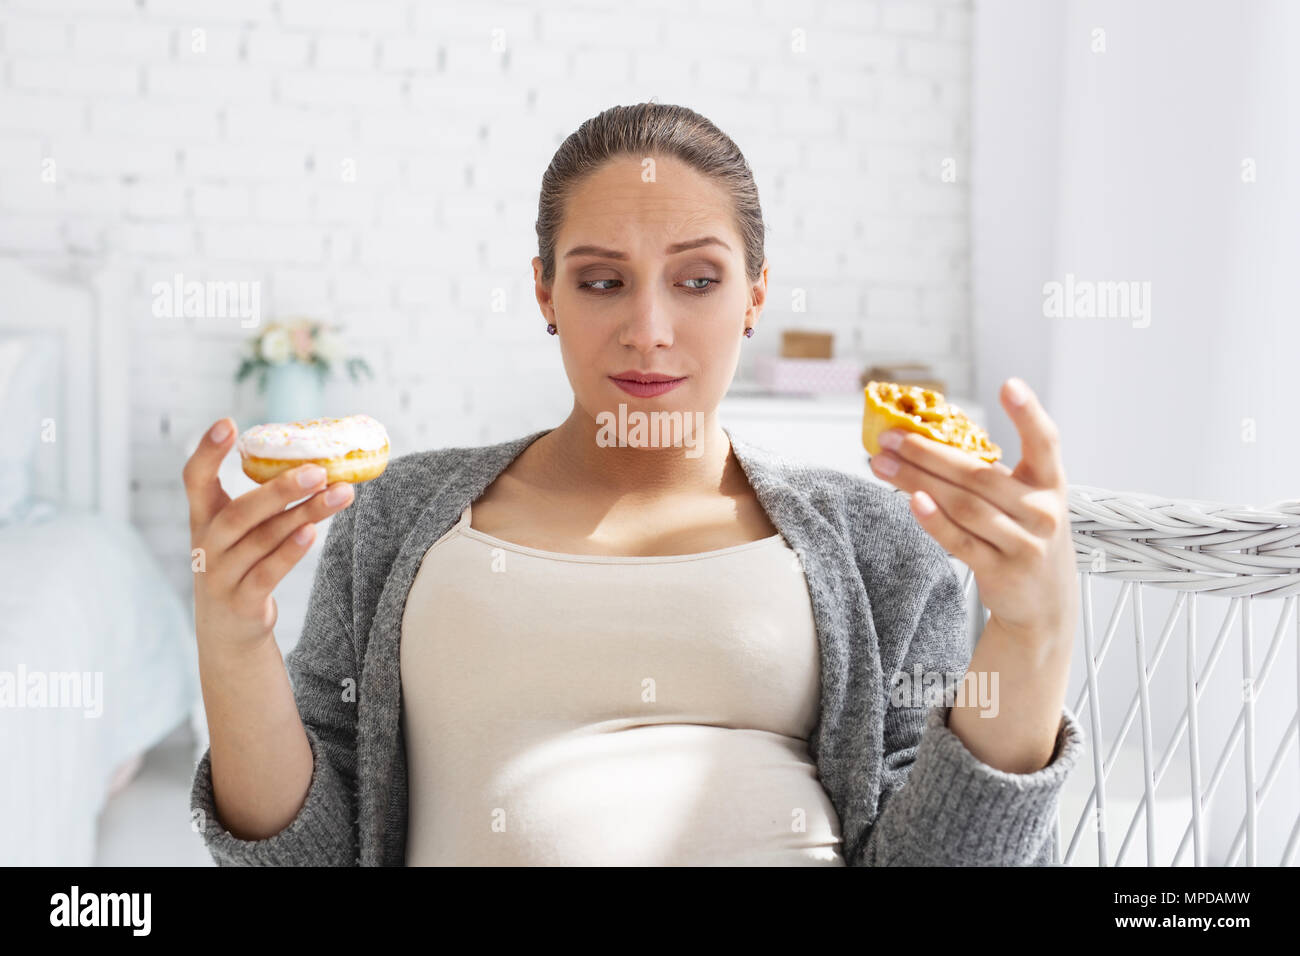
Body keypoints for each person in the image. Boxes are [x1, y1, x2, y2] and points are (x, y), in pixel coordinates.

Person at [186, 102, 1084, 866]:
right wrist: (233, 641)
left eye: (697, 280)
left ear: (755, 297)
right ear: (544, 294)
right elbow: (306, 855)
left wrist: (1031, 630)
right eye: (603, 281)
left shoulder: (878, 542)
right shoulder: (395, 516)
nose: (649, 329)